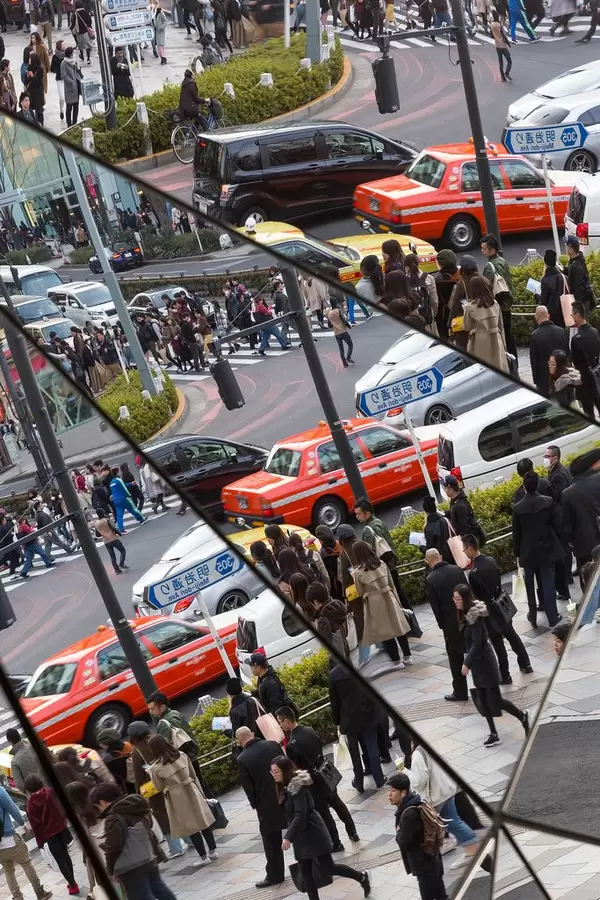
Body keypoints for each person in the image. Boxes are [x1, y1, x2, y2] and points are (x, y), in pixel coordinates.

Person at [271, 756, 370, 900]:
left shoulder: (296, 786)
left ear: (285, 771)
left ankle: (361, 877)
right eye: (272, 772)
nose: (274, 775)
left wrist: (288, 837)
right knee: (306, 874)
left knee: (329, 867)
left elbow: (300, 814)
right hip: (300, 835)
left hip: (312, 832)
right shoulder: (284, 785)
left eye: (276, 772)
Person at [454, 585, 529, 747]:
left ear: (465, 599)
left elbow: (477, 642)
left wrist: (466, 663)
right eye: (454, 599)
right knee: (483, 699)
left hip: (486, 663)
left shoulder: (475, 617)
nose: (456, 602)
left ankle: (523, 717)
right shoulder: (465, 614)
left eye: (458, 599)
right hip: (477, 663)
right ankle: (493, 733)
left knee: (497, 700)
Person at [276, 707, 359, 849]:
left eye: (280, 722)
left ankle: (336, 843)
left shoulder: (291, 745)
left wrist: (293, 787)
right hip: (325, 774)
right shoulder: (309, 730)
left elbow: (297, 769)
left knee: (325, 814)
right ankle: (353, 832)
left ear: (287, 721)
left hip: (312, 782)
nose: (280, 726)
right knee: (338, 804)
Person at [462, 533, 533, 679]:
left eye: (464, 549)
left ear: (470, 548)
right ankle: (526, 663)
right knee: (512, 636)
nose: (464, 552)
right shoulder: (490, 560)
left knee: (498, 643)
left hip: (489, 612)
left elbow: (476, 597)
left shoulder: (474, 573)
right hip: (502, 605)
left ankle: (505, 675)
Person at [90, 781, 176, 900]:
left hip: (130, 865)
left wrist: (110, 869)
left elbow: (114, 846)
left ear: (102, 802)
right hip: (148, 856)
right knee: (159, 888)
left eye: (96, 807)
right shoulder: (135, 805)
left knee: (141, 897)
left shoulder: (113, 817)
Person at [148, 735, 217, 867]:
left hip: (176, 796)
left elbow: (159, 787)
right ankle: (213, 851)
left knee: (191, 826)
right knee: (203, 820)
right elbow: (193, 774)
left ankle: (203, 857)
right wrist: (201, 793)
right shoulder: (181, 755)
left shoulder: (156, 768)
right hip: (192, 788)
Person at [235, 726, 287, 887]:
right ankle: (317, 859)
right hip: (286, 793)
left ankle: (275, 875)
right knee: (299, 826)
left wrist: (255, 804)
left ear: (238, 742)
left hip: (265, 803)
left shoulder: (242, 759)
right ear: (252, 734)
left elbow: (248, 787)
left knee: (271, 840)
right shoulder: (272, 744)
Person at [387, 772, 448, 900]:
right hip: (432, 859)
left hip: (425, 864)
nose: (389, 794)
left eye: (393, 791)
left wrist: (398, 832)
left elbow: (403, 841)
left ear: (403, 793)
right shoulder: (415, 803)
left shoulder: (409, 814)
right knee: (441, 895)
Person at [513, 471, 562, 628]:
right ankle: (553, 616)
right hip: (546, 548)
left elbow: (517, 534)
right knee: (548, 582)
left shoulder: (518, 508)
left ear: (525, 487)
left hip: (527, 553)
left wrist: (517, 554)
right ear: (537, 485)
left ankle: (533, 616)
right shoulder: (547, 502)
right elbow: (556, 524)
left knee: (529, 585)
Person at [351, 540, 412, 666]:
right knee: (399, 627)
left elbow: (360, 591)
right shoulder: (381, 564)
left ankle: (396, 660)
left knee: (385, 632)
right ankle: (407, 656)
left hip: (374, 603)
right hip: (389, 596)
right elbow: (391, 583)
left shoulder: (358, 573)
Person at [329, 660, 385, 791]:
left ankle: (359, 782)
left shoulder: (334, 675)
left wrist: (337, 721)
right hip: (367, 714)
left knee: (354, 752)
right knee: (372, 746)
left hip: (348, 719)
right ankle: (379, 778)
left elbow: (334, 702)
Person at [424, 549, 469, 701]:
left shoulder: (431, 579)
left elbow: (436, 607)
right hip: (467, 617)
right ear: (441, 556)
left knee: (455, 658)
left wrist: (442, 625)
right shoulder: (456, 569)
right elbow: (468, 591)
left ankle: (460, 691)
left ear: (427, 562)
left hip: (450, 623)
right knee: (476, 649)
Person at [24, 775, 79, 895]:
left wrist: (40, 843)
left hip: (49, 835)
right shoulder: (50, 792)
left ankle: (73, 884)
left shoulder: (30, 804)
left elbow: (36, 826)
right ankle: (72, 881)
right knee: (66, 855)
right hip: (61, 828)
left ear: (28, 789)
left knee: (60, 859)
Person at [0, 784, 52, 900]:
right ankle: (40, 893)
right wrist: (23, 824)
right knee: (26, 863)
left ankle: (18, 897)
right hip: (9, 838)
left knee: (8, 869)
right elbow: (12, 808)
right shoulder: (0, 791)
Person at [562, 448, 600, 582]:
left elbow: (567, 525)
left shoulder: (567, 493)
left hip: (584, 547)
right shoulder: (597, 481)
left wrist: (572, 543)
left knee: (591, 582)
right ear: (594, 464)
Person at [544, 445, 574, 601]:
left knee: (564, 548)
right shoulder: (560, 470)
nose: (546, 458)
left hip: (561, 516)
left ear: (555, 457)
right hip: (564, 514)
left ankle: (567, 575)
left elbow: (557, 496)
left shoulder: (557, 475)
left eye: (548, 456)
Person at [463, 275, 508, 373]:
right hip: (496, 338)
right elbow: (501, 325)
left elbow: (467, 327)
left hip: (479, 341)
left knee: (482, 371)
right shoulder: (495, 303)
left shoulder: (469, 307)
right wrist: (504, 345)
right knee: (499, 366)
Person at [529, 305, 569, 396]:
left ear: (536, 317)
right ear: (549, 315)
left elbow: (534, 361)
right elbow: (568, 354)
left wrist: (536, 380)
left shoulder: (535, 335)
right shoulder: (561, 331)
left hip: (544, 379)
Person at [570, 300, 600, 419]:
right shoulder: (594, 331)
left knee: (589, 413)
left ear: (577, 315)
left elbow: (575, 362)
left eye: (572, 314)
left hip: (584, 381)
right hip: (597, 377)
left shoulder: (576, 339)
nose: (572, 317)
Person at [447, 255, 478, 351]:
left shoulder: (462, 283)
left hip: (466, 321)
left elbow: (455, 306)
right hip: (480, 319)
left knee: (464, 348)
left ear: (462, 269)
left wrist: (449, 323)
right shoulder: (481, 279)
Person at [443, 475, 485, 543]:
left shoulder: (460, 506)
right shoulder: (456, 501)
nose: (445, 491)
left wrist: (465, 545)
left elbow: (464, 529)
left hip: (470, 544)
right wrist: (443, 513)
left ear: (451, 490)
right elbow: (453, 513)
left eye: (445, 488)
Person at [405, 253, 438, 334]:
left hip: (412, 319)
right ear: (418, 263)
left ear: (406, 267)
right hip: (427, 316)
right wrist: (433, 313)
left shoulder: (404, 280)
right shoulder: (429, 278)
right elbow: (434, 300)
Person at [5, 729, 46, 795]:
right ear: (20, 736)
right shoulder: (35, 747)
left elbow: (20, 785)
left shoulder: (15, 762)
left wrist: (28, 793)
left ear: (10, 742)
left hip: (35, 795)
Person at [434, 249, 460, 341]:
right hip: (461, 313)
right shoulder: (463, 274)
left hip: (444, 315)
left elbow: (435, 300)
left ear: (440, 263)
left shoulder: (438, 280)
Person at [92, 507, 128, 574]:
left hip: (106, 541)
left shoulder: (97, 524)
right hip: (113, 538)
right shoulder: (107, 520)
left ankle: (117, 570)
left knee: (112, 556)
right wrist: (119, 533)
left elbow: (97, 535)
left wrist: (102, 532)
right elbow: (113, 527)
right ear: (103, 513)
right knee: (123, 551)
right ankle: (121, 564)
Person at [109, 467, 146, 532]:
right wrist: (129, 494)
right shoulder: (118, 480)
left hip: (116, 500)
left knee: (119, 515)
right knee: (134, 509)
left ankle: (121, 529)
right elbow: (124, 487)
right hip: (124, 498)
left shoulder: (111, 482)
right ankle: (142, 519)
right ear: (117, 472)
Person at [538, 249, 568, 328]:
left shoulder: (545, 280)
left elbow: (543, 301)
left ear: (545, 262)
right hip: (563, 312)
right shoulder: (563, 277)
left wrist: (536, 296)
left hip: (551, 316)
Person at [565, 235, 596, 313]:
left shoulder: (576, 266)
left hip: (581, 304)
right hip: (583, 301)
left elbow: (579, 289)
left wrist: (576, 307)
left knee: (582, 324)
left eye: (566, 246)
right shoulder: (577, 261)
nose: (565, 247)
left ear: (571, 249)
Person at [423, 496, 453, 564]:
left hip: (442, 561)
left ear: (425, 511)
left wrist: (421, 547)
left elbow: (430, 550)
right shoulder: (445, 520)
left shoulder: (429, 528)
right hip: (454, 554)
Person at [326, 298, 354, 368]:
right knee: (350, 344)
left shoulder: (329, 313)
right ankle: (348, 357)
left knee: (341, 349)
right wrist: (349, 326)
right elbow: (343, 320)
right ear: (336, 303)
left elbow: (329, 325)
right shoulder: (338, 311)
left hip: (336, 333)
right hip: (343, 331)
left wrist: (334, 322)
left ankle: (344, 363)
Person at [491, 9, 511, 80]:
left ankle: (502, 77)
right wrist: (508, 43)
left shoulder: (492, 24)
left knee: (500, 61)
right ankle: (507, 73)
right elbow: (504, 35)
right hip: (502, 45)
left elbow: (491, 35)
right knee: (509, 60)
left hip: (497, 45)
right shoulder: (499, 24)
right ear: (497, 16)